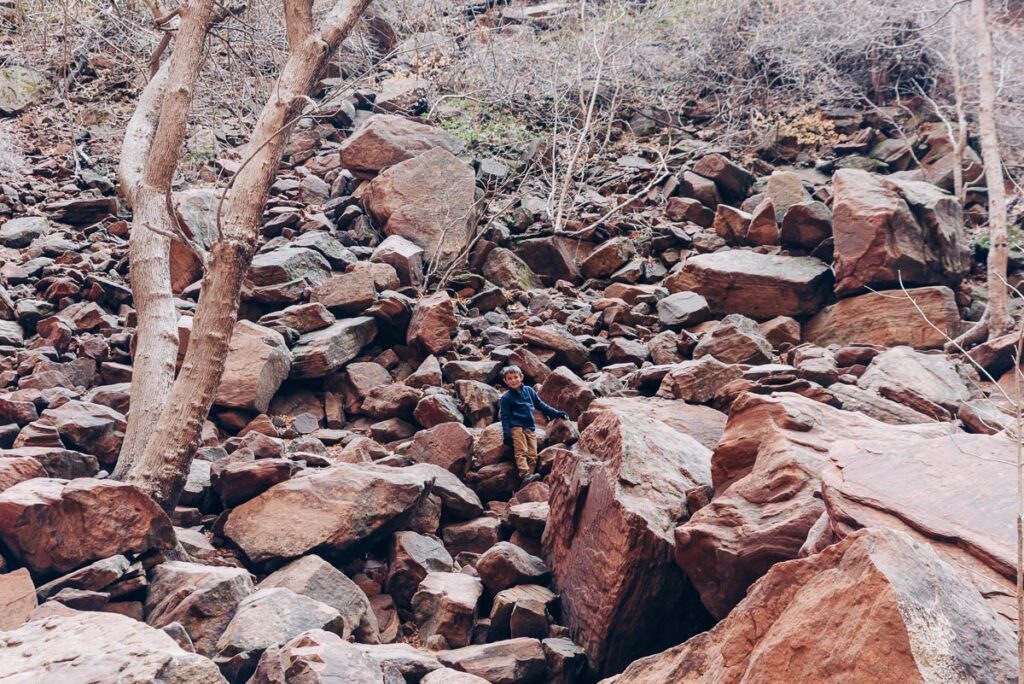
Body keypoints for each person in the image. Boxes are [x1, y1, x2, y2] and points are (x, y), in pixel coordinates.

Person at [499, 365, 568, 484]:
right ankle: (524, 474)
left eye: (515, 377)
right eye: (509, 378)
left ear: (521, 377)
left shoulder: (529, 391)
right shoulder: (506, 398)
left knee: (532, 453)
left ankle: (529, 477)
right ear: (505, 381)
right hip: (517, 427)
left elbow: (541, 405)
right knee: (521, 450)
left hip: (530, 427)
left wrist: (557, 413)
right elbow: (504, 416)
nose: (513, 380)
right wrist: (507, 434)